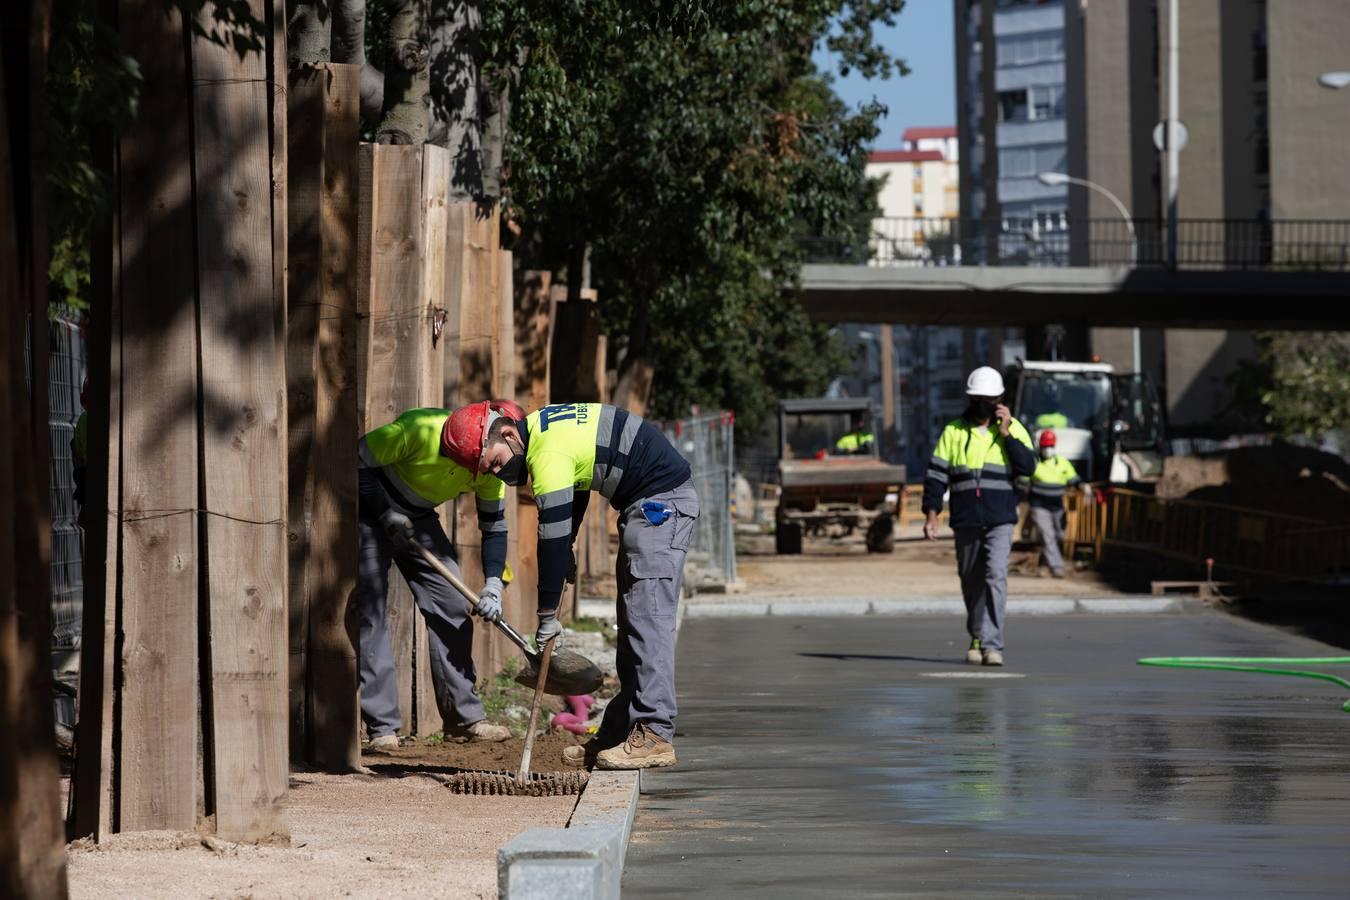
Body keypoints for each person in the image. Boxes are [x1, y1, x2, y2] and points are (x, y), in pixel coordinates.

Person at [453, 401, 699, 770]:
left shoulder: (546, 452)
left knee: (648, 620)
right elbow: (581, 480)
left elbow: (548, 539)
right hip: (647, 504)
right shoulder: (543, 427)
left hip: (660, 507)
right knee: (633, 622)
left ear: (507, 434)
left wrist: (547, 615)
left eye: (497, 463)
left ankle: (654, 733)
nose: (501, 476)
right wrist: (568, 542)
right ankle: (621, 731)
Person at [356, 402, 522, 751]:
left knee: (452, 604)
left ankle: (464, 719)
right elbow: (355, 461)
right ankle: (382, 727)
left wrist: (493, 583)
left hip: (418, 517)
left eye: (489, 466)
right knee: (371, 614)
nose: (487, 473)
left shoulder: (489, 465)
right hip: (369, 512)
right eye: (475, 467)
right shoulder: (416, 429)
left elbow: (493, 527)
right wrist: (384, 513)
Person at [921, 366, 1036, 667]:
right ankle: (977, 636)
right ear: (971, 399)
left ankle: (992, 644)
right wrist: (932, 514)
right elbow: (936, 476)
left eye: (989, 399)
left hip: (1000, 518)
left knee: (995, 576)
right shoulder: (954, 432)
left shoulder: (1015, 429)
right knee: (971, 580)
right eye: (978, 398)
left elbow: (1028, 468)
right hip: (966, 518)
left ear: (1000, 400)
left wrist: (1006, 433)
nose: (983, 404)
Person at [1019, 430, 1082, 579]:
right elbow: (1023, 483)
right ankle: (1057, 567)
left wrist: (1083, 486)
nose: (1048, 448)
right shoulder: (1034, 463)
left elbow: (1074, 479)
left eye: (1050, 445)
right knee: (1048, 536)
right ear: (1040, 445)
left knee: (1059, 535)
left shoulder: (1062, 462)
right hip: (1039, 505)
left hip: (1057, 506)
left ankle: (1043, 566)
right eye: (1045, 445)